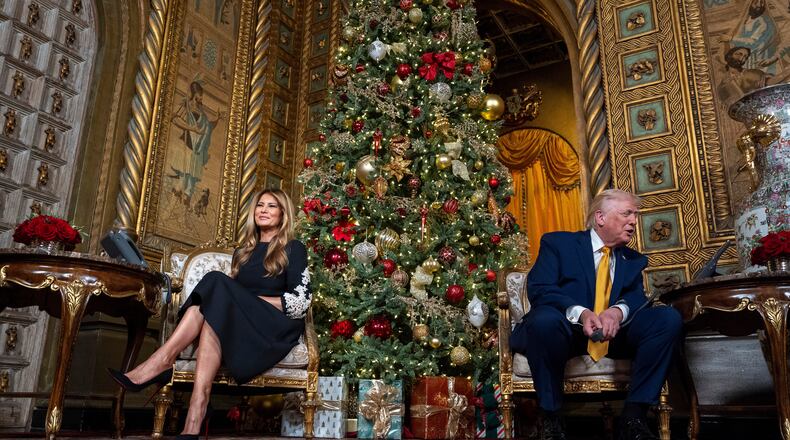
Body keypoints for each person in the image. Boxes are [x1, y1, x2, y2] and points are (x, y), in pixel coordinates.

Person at [108, 188, 311, 439]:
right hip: (243, 323)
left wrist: (248, 301)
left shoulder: (294, 249)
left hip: (274, 327)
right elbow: (229, 300)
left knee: (216, 283)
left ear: (283, 214)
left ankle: (162, 361)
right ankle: (197, 409)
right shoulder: (243, 252)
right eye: (260, 205)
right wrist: (237, 302)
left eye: (272, 206)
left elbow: (300, 303)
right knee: (213, 308)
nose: (264, 210)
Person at [510, 189, 682, 440]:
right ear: (600, 217)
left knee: (667, 318)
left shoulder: (632, 260)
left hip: (612, 336)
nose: (634, 221)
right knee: (544, 320)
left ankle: (633, 417)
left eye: (635, 215)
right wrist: (582, 314)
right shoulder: (559, 244)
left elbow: (635, 298)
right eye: (627, 214)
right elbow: (541, 289)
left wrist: (616, 312)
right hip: (564, 333)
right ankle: (551, 418)